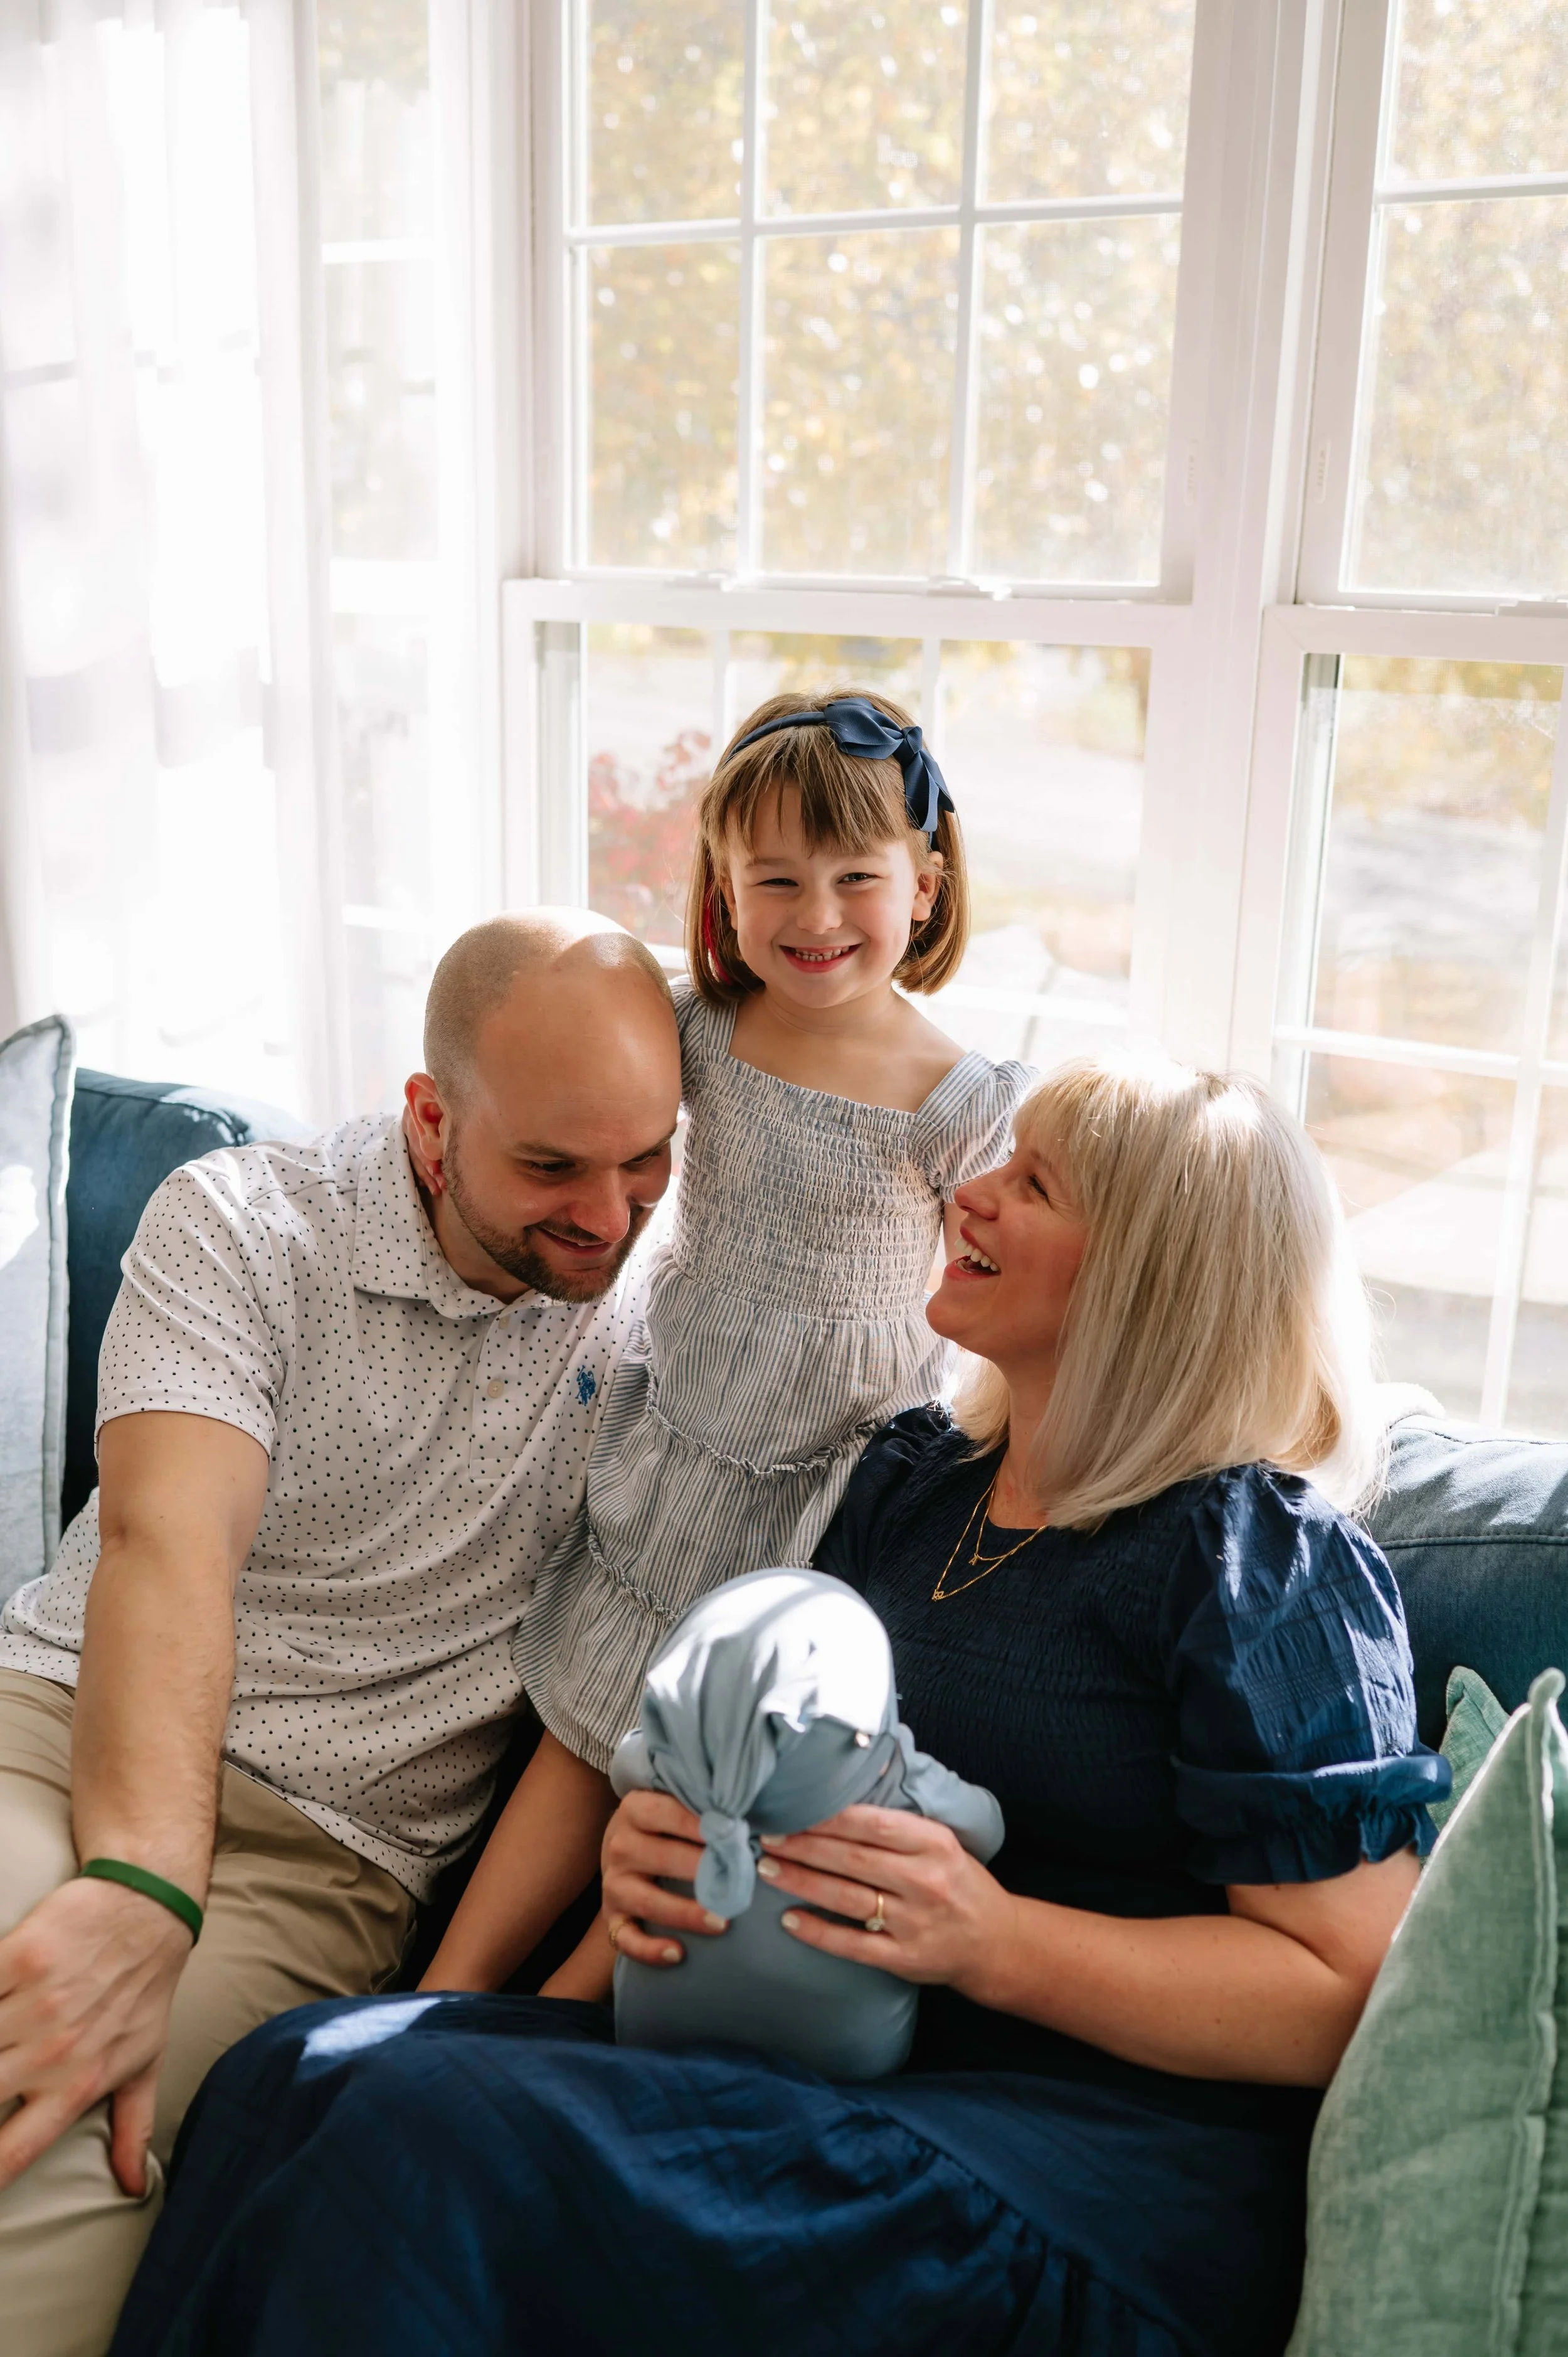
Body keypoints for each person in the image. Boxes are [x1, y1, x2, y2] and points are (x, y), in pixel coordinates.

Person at [107, 1054, 1448, 2357]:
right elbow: (746, 1766)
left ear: (1148, 1281)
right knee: (297, 2071)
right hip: (829, 2074)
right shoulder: (914, 1487)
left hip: (1078, 2172)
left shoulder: (1256, 1560)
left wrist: (986, 1940)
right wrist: (658, 1858)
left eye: (1031, 1183)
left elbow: (1346, 1991)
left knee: (423, 2124)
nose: (970, 1192)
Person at [0, 911, 682, 2357]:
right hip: (62, 1737)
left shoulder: (671, 1332)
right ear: (433, 1122)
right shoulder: (243, 1225)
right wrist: (140, 1880)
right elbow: (167, 1549)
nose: (610, 1221)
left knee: (61, 2135)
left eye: (648, 1163)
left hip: (330, 1858)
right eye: (552, 1168)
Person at [416, 691, 1029, 1999]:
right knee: (588, 1723)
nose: (814, 916)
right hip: (682, 1431)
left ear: (922, 889)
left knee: (699, 1753)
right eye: (775, 880)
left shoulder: (958, 1098)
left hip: (817, 1487)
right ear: (723, 891)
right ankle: (446, 1990)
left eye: (853, 878)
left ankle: (568, 2011)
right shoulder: (700, 1031)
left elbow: (1000, 1289)